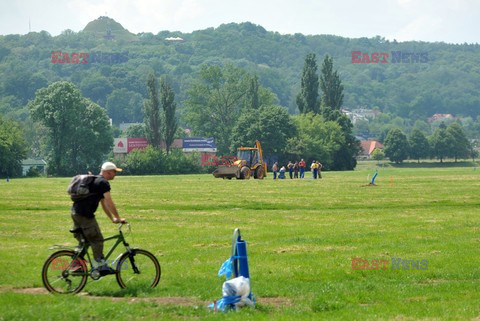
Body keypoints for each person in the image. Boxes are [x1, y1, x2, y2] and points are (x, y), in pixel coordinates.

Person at [71, 162, 127, 275]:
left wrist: (112, 219)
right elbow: (109, 202)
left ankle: (76, 266)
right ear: (108, 172)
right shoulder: (103, 183)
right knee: (97, 239)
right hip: (85, 215)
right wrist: (118, 217)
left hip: (75, 212)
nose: (115, 174)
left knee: (85, 242)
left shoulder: (95, 180)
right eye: (114, 172)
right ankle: (100, 266)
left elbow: (103, 203)